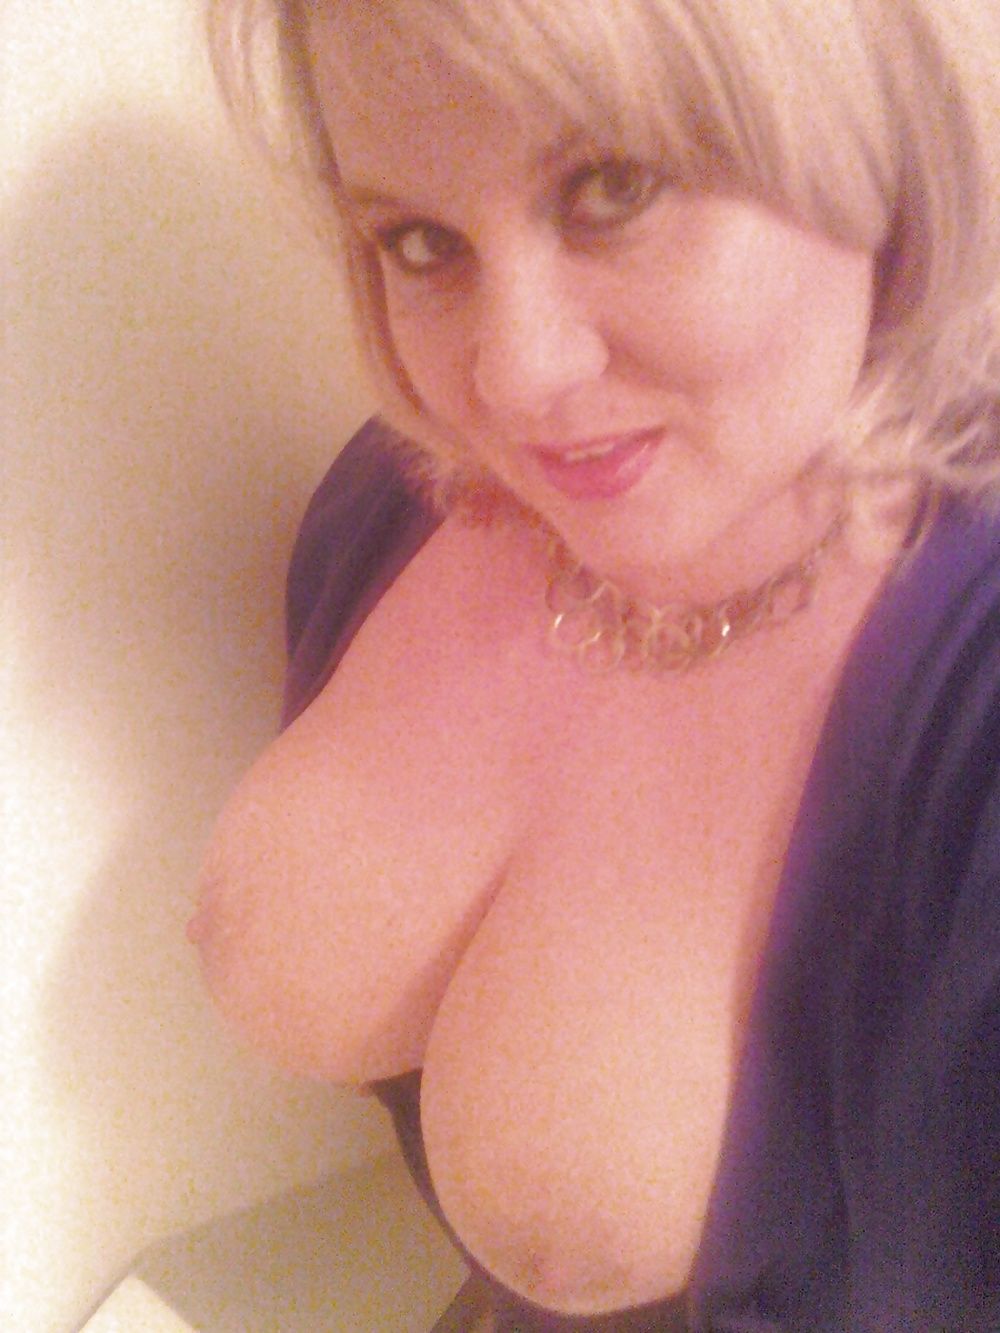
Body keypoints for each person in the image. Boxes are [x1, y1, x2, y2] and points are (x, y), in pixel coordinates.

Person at [189, 1, 1000, 1327]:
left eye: (614, 188)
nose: (513, 376)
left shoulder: (970, 734)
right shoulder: (392, 505)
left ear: (881, 137)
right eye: (420, 240)